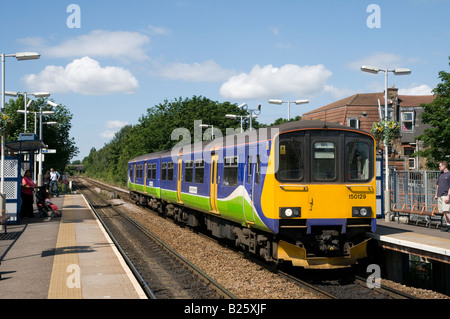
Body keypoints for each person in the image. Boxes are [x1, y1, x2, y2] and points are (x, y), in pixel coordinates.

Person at [434, 161, 450, 232]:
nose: (439, 167)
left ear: (444, 166)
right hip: (440, 195)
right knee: (443, 212)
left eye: (440, 166)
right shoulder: (440, 174)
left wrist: (448, 196)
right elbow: (438, 185)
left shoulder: (449, 174)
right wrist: (436, 194)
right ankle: (448, 226)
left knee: (447, 211)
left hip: (445, 195)